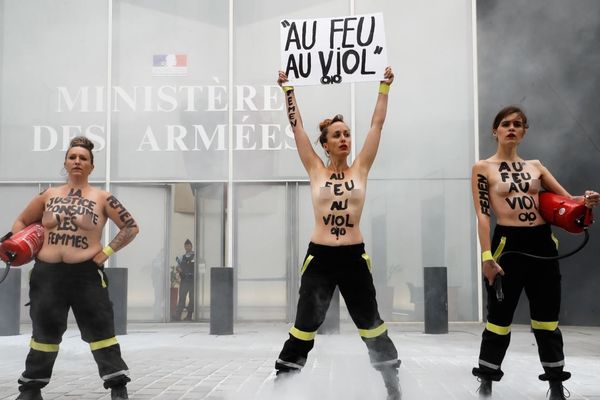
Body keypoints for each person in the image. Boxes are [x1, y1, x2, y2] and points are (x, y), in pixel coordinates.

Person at [274, 67, 401, 400]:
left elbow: (377, 125)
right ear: (326, 144)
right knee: (305, 324)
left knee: (371, 322)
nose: (344, 138)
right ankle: (283, 384)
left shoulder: (361, 167)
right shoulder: (315, 169)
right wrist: (288, 88)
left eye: (347, 133)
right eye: (337, 135)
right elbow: (297, 126)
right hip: (321, 257)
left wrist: (383, 87)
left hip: (353, 257)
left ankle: (392, 386)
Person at [470, 106, 600, 399]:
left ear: (525, 131)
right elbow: (482, 215)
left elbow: (568, 200)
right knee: (499, 319)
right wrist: (487, 257)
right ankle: (487, 381)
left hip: (542, 242)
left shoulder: (536, 166)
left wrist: (587, 201)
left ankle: (555, 384)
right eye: (505, 124)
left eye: (518, 124)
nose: (511, 128)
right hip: (509, 245)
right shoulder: (483, 168)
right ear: (495, 131)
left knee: (546, 319)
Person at [11, 136, 139, 400]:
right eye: (73, 157)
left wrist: (106, 252)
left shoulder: (103, 197)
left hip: (86, 274)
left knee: (101, 330)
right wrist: (23, 246)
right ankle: (31, 388)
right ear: (66, 163)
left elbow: (131, 227)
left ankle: (117, 386)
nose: (77, 161)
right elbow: (21, 221)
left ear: (91, 166)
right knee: (43, 332)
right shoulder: (48, 194)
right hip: (47, 274)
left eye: (83, 158)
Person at [174, 238, 196, 321]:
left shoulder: (195, 256)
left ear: (191, 246)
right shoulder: (182, 257)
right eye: (186, 246)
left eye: (189, 246)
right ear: (184, 247)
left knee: (192, 298)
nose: (187, 247)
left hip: (192, 280)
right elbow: (177, 266)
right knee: (182, 297)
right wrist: (179, 269)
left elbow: (201, 266)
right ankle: (178, 315)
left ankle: (189, 316)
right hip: (184, 280)